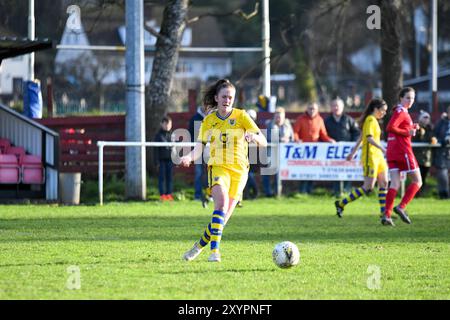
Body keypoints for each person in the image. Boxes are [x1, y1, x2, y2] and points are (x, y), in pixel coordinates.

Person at [180, 79, 267, 262]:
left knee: (221, 221)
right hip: (218, 167)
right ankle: (215, 252)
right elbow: (199, 146)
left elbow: (264, 141)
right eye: (224, 96)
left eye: (230, 97)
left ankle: (197, 247)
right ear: (217, 98)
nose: (228, 100)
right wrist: (189, 157)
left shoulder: (242, 116)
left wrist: (254, 137)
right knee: (220, 205)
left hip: (240, 171)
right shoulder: (209, 120)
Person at [334, 99, 389, 223]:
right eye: (383, 110)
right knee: (368, 187)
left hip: (378, 156)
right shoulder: (370, 120)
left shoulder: (373, 121)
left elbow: (361, 137)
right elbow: (368, 138)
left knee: (384, 182)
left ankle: (384, 213)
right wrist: (382, 148)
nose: (384, 113)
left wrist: (352, 152)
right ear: (375, 109)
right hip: (370, 157)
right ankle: (341, 203)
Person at [384, 87, 422, 225]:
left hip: (392, 151)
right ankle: (401, 207)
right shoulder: (401, 111)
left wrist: (412, 127)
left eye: (412, 98)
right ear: (401, 98)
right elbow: (390, 127)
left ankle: (387, 215)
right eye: (407, 98)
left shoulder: (401, 111)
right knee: (418, 181)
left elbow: (398, 128)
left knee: (394, 183)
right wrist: (408, 132)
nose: (410, 101)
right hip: (402, 151)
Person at [293, 102, 335, 194]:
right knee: (303, 170)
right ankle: (302, 190)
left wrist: (329, 140)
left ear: (317, 110)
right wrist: (297, 140)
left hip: (315, 151)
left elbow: (323, 134)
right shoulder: (301, 119)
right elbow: (295, 132)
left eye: (314, 109)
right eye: (310, 108)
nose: (312, 110)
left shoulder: (320, 120)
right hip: (303, 150)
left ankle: (309, 190)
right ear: (307, 109)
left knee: (312, 170)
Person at [325, 97, 360, 196]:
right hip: (332, 152)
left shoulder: (348, 119)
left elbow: (357, 133)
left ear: (342, 107)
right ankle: (336, 190)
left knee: (346, 170)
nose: (336, 108)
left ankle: (346, 189)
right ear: (331, 107)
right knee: (334, 170)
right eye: (334, 106)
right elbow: (323, 134)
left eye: (338, 105)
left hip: (346, 152)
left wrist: (352, 145)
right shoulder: (327, 121)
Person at [263, 107, 294, 197]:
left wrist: (288, 140)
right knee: (267, 173)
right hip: (271, 152)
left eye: (280, 117)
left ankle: (277, 193)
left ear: (284, 117)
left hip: (284, 154)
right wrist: (281, 140)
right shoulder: (269, 125)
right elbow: (268, 138)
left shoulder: (288, 125)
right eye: (277, 117)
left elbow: (292, 138)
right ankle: (268, 192)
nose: (278, 119)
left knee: (279, 173)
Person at [412, 110, 437, 196]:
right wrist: (420, 134)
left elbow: (432, 138)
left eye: (428, 118)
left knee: (423, 178)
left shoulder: (431, 128)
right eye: (424, 117)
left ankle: (420, 195)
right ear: (420, 118)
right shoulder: (416, 126)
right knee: (417, 179)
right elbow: (412, 139)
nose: (427, 119)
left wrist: (433, 139)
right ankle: (415, 194)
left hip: (427, 158)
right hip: (417, 158)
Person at [188, 105, 208, 201]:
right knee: (199, 172)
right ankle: (197, 195)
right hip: (198, 150)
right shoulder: (194, 118)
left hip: (209, 149)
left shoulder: (212, 118)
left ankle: (210, 194)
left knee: (210, 172)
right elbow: (190, 134)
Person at [154, 116, 174, 201]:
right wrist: (156, 162)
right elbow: (155, 150)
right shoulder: (158, 136)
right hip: (161, 161)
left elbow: (175, 149)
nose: (167, 126)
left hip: (170, 160)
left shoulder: (173, 135)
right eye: (165, 124)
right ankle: (162, 195)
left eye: (169, 124)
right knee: (162, 178)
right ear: (161, 124)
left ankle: (169, 194)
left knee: (169, 178)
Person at [433, 105, 450, 199]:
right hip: (442, 153)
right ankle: (443, 195)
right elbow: (434, 135)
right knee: (442, 176)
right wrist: (442, 141)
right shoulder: (441, 123)